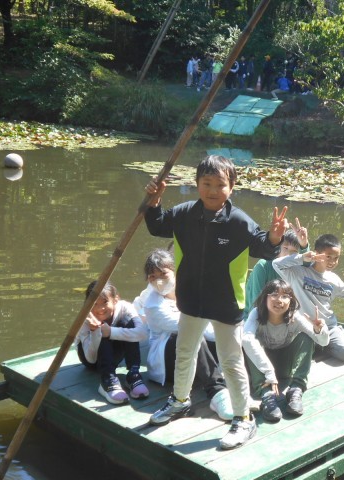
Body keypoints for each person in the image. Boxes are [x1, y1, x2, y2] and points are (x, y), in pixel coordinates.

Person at [144, 154, 288, 450]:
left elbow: (263, 247)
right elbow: (157, 226)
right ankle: (180, 401)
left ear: (231, 187)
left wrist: (274, 238)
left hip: (226, 304)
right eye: (206, 183)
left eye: (220, 184)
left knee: (231, 362)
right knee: (185, 352)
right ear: (197, 184)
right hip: (191, 300)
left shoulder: (239, 222)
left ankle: (243, 418)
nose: (212, 190)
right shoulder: (184, 213)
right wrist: (154, 202)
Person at [135, 248, 234, 421]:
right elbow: (194, 327)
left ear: (175, 272)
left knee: (230, 333)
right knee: (191, 334)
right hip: (169, 362)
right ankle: (217, 391)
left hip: (196, 355)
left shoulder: (189, 291)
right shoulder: (153, 305)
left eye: (163, 274)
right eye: (152, 277)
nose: (158, 280)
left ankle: (237, 383)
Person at [243, 279, 328, 422]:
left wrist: (319, 330)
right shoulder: (256, 314)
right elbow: (246, 339)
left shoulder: (295, 317)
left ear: (291, 301)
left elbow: (323, 342)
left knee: (306, 337)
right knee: (250, 342)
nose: (279, 300)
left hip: (284, 366)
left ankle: (296, 389)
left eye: (285, 296)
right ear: (265, 297)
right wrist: (268, 371)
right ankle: (266, 395)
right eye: (274, 295)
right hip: (263, 371)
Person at [273, 234, 344, 362]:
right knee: (288, 354)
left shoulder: (334, 279)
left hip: (328, 327)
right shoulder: (298, 272)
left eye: (336, 258)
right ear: (317, 253)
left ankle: (323, 344)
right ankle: (316, 344)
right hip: (303, 327)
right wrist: (302, 257)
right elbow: (276, 264)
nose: (332, 261)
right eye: (328, 256)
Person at [76, 280, 149, 405]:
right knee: (102, 330)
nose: (100, 309)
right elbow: (91, 359)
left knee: (127, 322)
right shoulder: (85, 317)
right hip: (93, 360)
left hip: (114, 355)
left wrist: (110, 332)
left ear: (116, 299)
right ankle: (107, 380)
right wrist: (95, 331)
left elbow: (142, 333)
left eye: (105, 302)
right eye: (94, 304)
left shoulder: (125, 307)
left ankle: (133, 374)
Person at [243, 217, 309, 320]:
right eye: (285, 248)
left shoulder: (295, 268)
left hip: (282, 317)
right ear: (279, 247)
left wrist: (304, 245)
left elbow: (308, 265)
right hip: (255, 317)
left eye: (294, 252)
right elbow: (256, 302)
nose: (288, 254)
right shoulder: (263, 266)